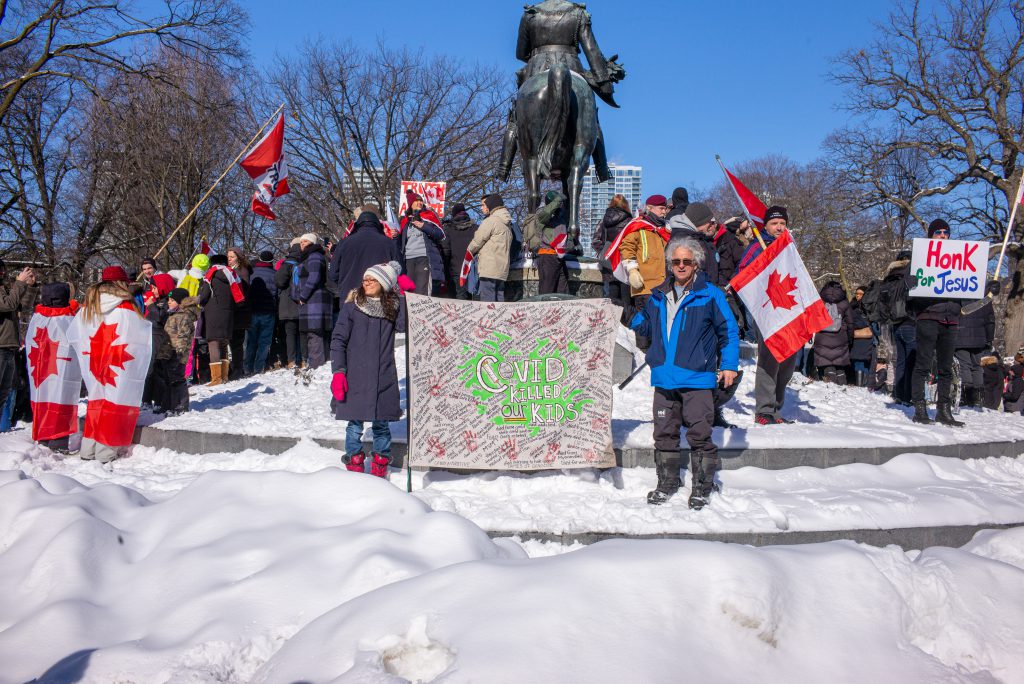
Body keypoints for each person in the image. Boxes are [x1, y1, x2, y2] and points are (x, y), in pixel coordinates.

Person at [629, 236, 739, 509]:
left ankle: (702, 486)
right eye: (675, 261)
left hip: (697, 378)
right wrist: (624, 311)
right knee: (664, 433)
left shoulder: (710, 294)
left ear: (696, 264)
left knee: (700, 433)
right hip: (665, 377)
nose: (680, 266)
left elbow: (729, 332)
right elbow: (640, 325)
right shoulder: (657, 296)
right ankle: (667, 483)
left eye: (686, 261)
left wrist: (728, 365)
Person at [331, 261, 407, 478]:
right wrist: (338, 372)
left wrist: (400, 295)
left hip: (383, 374)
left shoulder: (392, 306)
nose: (366, 282)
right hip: (355, 375)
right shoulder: (352, 306)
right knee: (354, 426)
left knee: (381, 425)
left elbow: (403, 326)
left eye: (372, 279)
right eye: (365, 278)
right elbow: (338, 340)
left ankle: (379, 467)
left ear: (384, 283)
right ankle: (354, 466)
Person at [68, 267, 152, 463]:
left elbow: (76, 334)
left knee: (97, 401)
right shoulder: (125, 307)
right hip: (118, 361)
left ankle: (88, 449)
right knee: (114, 401)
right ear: (122, 283)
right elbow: (136, 338)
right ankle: (105, 451)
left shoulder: (88, 307)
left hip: (94, 361)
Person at [738, 206, 799, 425]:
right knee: (770, 359)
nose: (779, 227)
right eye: (774, 223)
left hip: (789, 310)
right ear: (766, 225)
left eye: (782, 223)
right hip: (767, 309)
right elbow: (742, 275)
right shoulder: (757, 246)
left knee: (789, 361)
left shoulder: (790, 247)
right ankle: (764, 410)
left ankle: (777, 409)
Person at [908, 219, 963, 426]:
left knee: (946, 368)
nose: (942, 235)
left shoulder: (959, 260)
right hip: (928, 316)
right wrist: (909, 283)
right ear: (931, 235)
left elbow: (970, 286)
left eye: (946, 232)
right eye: (938, 232)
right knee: (923, 364)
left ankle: (944, 410)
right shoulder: (920, 257)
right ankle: (920, 408)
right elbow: (906, 287)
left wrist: (987, 287)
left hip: (950, 319)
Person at [24, 282, 79, 452]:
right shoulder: (68, 319)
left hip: (41, 372)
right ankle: (59, 442)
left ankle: (44, 438)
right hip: (61, 369)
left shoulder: (37, 317)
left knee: (44, 396)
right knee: (62, 396)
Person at [618, 194, 671, 349]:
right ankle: (643, 353)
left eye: (665, 208)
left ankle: (654, 354)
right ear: (650, 208)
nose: (664, 212)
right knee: (645, 323)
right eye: (661, 208)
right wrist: (632, 270)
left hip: (661, 286)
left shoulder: (663, 230)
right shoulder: (638, 227)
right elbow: (626, 248)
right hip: (644, 285)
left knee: (658, 323)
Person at [330, 207, 400, 301]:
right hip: (380, 299)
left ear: (357, 225)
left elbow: (333, 274)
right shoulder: (389, 243)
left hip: (350, 298)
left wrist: (344, 285)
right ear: (378, 225)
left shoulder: (344, 243)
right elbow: (399, 271)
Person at [0, 260, 35, 428]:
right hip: (1, 348)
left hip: (9, 348)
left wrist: (29, 287)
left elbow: (21, 307)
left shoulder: (5, 290)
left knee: (4, 393)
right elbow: (8, 304)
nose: (4, 274)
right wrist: (20, 283)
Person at [198, 254, 240, 386]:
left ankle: (216, 379)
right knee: (223, 343)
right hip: (228, 313)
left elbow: (204, 296)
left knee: (213, 343)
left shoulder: (210, 275)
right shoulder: (231, 275)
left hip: (213, 313)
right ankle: (224, 376)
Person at [292, 233, 332, 370]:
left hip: (314, 301)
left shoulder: (314, 256)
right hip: (312, 302)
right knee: (315, 333)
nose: (302, 244)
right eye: (301, 241)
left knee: (315, 333)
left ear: (311, 242)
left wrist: (303, 296)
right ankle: (321, 365)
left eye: (305, 241)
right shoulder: (309, 256)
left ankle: (317, 367)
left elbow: (314, 277)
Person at [399, 193, 448, 296]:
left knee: (422, 291)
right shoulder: (404, 221)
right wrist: (395, 235)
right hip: (408, 259)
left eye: (421, 200)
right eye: (416, 201)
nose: (420, 202)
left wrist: (424, 226)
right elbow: (400, 243)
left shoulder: (429, 215)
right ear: (410, 203)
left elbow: (441, 235)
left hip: (424, 257)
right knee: (408, 291)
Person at [468, 193, 513, 302]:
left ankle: (490, 319)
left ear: (492, 205)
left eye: (485, 205)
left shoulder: (491, 221)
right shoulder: (507, 224)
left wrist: (469, 251)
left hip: (489, 267)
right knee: (499, 300)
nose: (483, 207)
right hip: (502, 269)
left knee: (488, 302)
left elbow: (478, 241)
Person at [590, 194, 631, 307]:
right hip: (624, 260)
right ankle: (625, 321)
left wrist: (604, 251)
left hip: (608, 261)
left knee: (611, 295)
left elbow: (595, 241)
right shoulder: (630, 222)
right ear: (626, 205)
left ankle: (612, 320)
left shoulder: (603, 221)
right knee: (626, 297)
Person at [533, 191, 575, 295]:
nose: (560, 204)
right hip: (547, 256)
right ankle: (544, 310)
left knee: (562, 292)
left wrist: (570, 243)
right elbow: (545, 214)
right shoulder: (541, 213)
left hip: (559, 256)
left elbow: (565, 232)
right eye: (557, 202)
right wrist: (557, 200)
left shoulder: (560, 215)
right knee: (547, 291)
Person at [667, 201, 719, 286]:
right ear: (700, 223)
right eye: (708, 222)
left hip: (707, 292)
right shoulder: (684, 240)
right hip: (695, 294)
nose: (711, 226)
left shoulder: (698, 238)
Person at [164, 287, 199, 414]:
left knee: (178, 379)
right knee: (171, 379)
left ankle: (181, 405)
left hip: (178, 353)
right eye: (168, 299)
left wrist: (178, 353)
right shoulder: (175, 314)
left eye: (172, 300)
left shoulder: (184, 316)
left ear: (180, 302)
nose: (169, 302)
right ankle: (172, 404)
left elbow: (183, 337)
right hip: (171, 352)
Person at [954, 300, 994, 409]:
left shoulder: (958, 292)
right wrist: (989, 338)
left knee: (964, 365)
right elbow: (990, 319)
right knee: (977, 366)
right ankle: (978, 397)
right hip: (980, 337)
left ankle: (967, 395)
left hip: (960, 336)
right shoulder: (984, 297)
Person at [813, 280, 854, 384]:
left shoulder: (819, 301)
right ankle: (842, 387)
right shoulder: (844, 302)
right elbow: (850, 323)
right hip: (840, 337)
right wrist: (849, 338)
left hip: (822, 337)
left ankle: (831, 389)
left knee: (827, 365)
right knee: (840, 366)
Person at [245, 250, 278, 375]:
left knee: (251, 341)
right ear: (271, 261)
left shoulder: (251, 274)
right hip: (268, 311)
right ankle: (259, 368)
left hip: (253, 311)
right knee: (264, 341)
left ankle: (248, 367)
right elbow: (277, 293)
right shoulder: (275, 274)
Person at [276, 239, 304, 369]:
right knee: (302, 333)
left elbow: (279, 282)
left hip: (289, 303)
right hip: (304, 302)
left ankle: (291, 360)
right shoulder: (306, 261)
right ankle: (303, 359)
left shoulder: (287, 264)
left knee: (290, 333)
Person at [442, 203, 478, 300]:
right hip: (472, 269)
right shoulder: (475, 228)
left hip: (456, 270)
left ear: (453, 215)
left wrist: (445, 268)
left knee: (460, 298)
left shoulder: (448, 229)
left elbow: (446, 251)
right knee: (473, 298)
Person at [226, 247, 251, 379]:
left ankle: (237, 369)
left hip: (240, 312)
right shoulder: (230, 271)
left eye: (232, 257)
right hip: (234, 312)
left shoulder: (242, 271)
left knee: (236, 343)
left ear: (239, 258)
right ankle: (234, 368)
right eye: (228, 257)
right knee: (232, 343)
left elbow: (244, 292)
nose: (229, 259)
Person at [849, 285, 876, 387]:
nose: (858, 296)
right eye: (857, 293)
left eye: (861, 294)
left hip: (868, 341)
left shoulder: (869, 308)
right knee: (858, 362)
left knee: (866, 363)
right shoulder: (852, 307)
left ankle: (865, 386)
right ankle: (860, 386)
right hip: (858, 340)